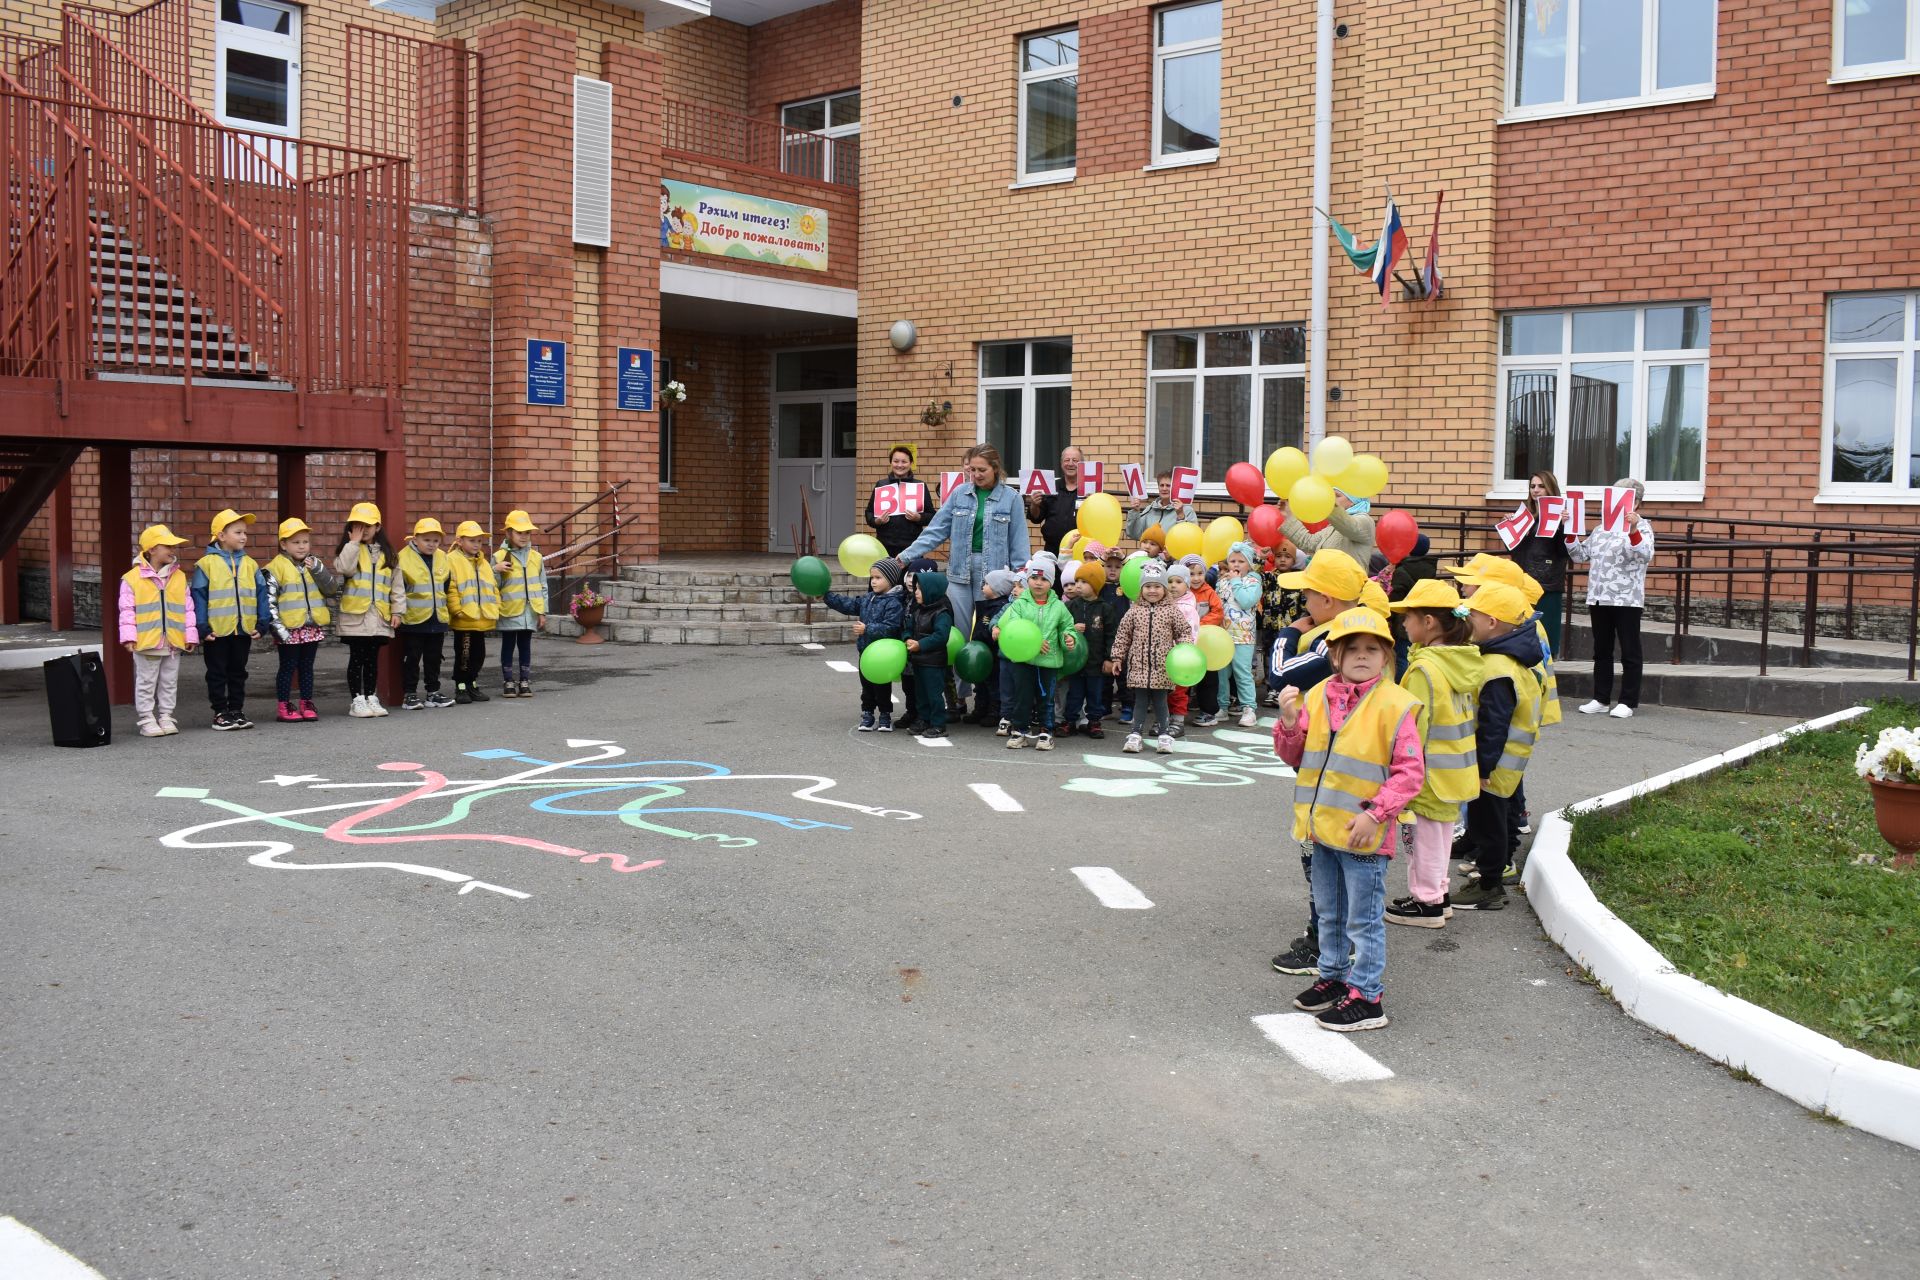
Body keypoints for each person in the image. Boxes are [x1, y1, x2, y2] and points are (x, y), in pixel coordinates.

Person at [1273, 607, 1424, 1032]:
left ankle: (1368, 996)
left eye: (1371, 649)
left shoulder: (1396, 705)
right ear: (1335, 655)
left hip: (1363, 837)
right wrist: (1288, 724)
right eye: (1351, 649)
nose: (1362, 656)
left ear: (1386, 657)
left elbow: (1410, 773)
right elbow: (1297, 758)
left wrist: (1376, 816)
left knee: (1363, 919)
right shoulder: (1319, 695)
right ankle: (1334, 977)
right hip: (1323, 831)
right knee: (1329, 911)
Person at [1267, 547, 1369, 978]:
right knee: (1335, 850)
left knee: (1321, 849)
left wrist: (1289, 632)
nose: (1302, 602)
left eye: (1307, 594)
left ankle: (1325, 941)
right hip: (1343, 762)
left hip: (1328, 763)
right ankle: (1337, 932)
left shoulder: (1334, 640)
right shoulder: (1364, 632)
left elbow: (1279, 673)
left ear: (1327, 601)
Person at [1384, 581, 1482, 927]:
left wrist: (1400, 770)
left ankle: (1425, 903)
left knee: (1422, 840)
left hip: (1427, 772)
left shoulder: (1424, 669)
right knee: (1438, 837)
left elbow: (1411, 726)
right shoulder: (1461, 662)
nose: (1403, 625)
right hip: (1454, 770)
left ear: (1428, 622)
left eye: (1408, 617)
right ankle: (1438, 895)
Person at [900, 444, 1030, 699]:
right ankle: (957, 697)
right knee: (955, 636)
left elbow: (1019, 544)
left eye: (982, 470)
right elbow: (936, 531)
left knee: (986, 637)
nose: (976, 475)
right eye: (972, 470)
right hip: (959, 574)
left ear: (995, 469)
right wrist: (906, 556)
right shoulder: (959, 494)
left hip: (993, 579)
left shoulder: (1012, 498)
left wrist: (1021, 577)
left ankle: (987, 700)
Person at [1453, 583, 1544, 912]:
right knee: (1496, 824)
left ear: (1492, 622)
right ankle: (1490, 876)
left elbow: (1494, 726)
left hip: (1492, 769)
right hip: (1504, 767)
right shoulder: (1509, 661)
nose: (1467, 620)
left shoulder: (1497, 669)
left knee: (1487, 827)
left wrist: (1482, 768)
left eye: (1472, 615)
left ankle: (1489, 886)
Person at [1567, 477, 1654, 720]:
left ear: (1635, 502)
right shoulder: (1600, 529)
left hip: (1627, 599)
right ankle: (1601, 698)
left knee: (1629, 650)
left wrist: (1634, 530)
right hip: (1599, 596)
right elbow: (1580, 555)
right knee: (1601, 650)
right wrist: (1569, 531)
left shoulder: (1643, 527)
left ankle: (1627, 701)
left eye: (1622, 496)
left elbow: (1645, 554)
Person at [119, 524, 198, 738]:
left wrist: (189, 635)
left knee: (169, 681)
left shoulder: (178, 576)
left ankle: (165, 715)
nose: (173, 550)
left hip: (173, 640)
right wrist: (129, 637)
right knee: (146, 681)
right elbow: (127, 610)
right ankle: (146, 718)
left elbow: (187, 607)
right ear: (152, 549)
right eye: (168, 546)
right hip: (147, 641)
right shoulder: (131, 578)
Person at [1106, 561, 1192, 754]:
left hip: (1162, 667)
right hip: (1139, 666)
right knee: (1141, 702)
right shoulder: (1134, 611)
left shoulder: (1171, 611)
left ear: (1164, 589)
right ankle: (1135, 734)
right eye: (1148, 586)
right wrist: (1117, 657)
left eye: (1157, 586)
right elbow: (1123, 635)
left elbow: (1184, 631)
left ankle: (1164, 735)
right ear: (1141, 588)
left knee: (1161, 702)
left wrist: (1185, 650)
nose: (1152, 590)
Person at [260, 517, 339, 723]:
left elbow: (331, 589)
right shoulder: (274, 568)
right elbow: (269, 603)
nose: (302, 546)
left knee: (307, 667)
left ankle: (306, 702)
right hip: (289, 629)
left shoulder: (314, 564)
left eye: (305, 541)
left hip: (310, 628)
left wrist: (317, 569)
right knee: (287, 667)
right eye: (296, 542)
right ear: (283, 544)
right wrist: (280, 631)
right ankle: (284, 704)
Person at [994, 558, 1077, 750]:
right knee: (1022, 697)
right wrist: (1033, 643)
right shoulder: (1019, 604)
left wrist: (1069, 638)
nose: (1038, 583)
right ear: (1027, 579)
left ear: (1051, 583)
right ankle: (1020, 731)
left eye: (1044, 579)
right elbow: (1014, 628)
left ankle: (1046, 733)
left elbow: (1068, 626)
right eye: (1034, 577)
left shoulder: (1058, 606)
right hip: (1023, 660)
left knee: (1046, 700)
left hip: (1048, 662)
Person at [191, 508, 260, 731]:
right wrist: (202, 627)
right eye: (238, 532)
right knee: (217, 672)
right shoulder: (206, 564)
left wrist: (263, 623)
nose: (243, 537)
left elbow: (260, 595)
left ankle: (237, 709)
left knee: (238, 671)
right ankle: (220, 712)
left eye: (245, 533)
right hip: (217, 631)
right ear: (221, 536)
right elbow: (199, 597)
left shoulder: (250, 564)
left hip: (243, 629)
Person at [823, 556, 908, 732]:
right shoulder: (868, 598)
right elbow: (848, 604)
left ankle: (885, 715)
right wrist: (827, 596)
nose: (874, 581)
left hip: (883, 655)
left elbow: (891, 628)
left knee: (882, 686)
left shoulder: (894, 602)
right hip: (865, 652)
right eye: (872, 578)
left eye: (878, 578)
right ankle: (867, 713)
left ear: (891, 580)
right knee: (867, 686)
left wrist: (867, 629)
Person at [335, 502, 396, 718]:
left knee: (372, 659)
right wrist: (353, 543)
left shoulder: (387, 554)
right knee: (357, 658)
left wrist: (397, 612)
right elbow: (344, 568)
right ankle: (356, 700)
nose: (364, 529)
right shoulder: (349, 549)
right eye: (358, 525)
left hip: (378, 617)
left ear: (378, 527)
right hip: (355, 617)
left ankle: (371, 696)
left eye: (368, 525)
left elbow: (395, 587)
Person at [393, 517, 455, 711]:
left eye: (436, 540)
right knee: (412, 658)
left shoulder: (442, 557)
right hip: (414, 619)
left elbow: (445, 584)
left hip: (437, 618)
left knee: (434, 658)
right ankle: (410, 694)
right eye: (427, 540)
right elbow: (398, 588)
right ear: (416, 538)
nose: (432, 544)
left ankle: (433, 692)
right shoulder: (403, 557)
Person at [494, 509, 549, 699]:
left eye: (527, 532)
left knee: (525, 646)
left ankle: (524, 681)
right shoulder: (499, 557)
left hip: (530, 611)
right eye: (519, 532)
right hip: (509, 610)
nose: (524, 536)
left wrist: (542, 612)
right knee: (508, 646)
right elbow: (492, 586)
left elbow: (542, 586)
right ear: (508, 533)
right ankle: (508, 681)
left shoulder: (536, 557)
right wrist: (495, 570)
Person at [1515, 471, 1571, 653]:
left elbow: (1565, 552)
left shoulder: (1561, 515)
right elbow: (1515, 550)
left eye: (1541, 486)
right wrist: (1510, 528)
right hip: (1523, 583)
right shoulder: (1526, 515)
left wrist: (1563, 527)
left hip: (1547, 585)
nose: (1536, 490)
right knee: (1524, 640)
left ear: (1550, 489)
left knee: (1545, 642)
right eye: (1532, 486)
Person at [447, 520, 501, 703]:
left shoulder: (483, 562)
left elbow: (492, 587)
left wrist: (496, 607)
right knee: (464, 654)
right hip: (464, 618)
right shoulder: (452, 560)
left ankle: (472, 683)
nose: (477, 544)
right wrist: (456, 610)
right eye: (472, 540)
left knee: (479, 654)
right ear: (460, 541)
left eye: (479, 541)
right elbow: (451, 587)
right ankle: (461, 685)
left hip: (480, 618)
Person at [1062, 561, 1112, 738]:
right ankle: (1070, 722)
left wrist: (1109, 658)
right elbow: (1061, 627)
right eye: (1077, 582)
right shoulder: (1070, 606)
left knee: (1095, 695)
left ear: (1096, 585)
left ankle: (1094, 722)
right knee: (1074, 694)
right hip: (1075, 662)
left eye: (1084, 582)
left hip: (1096, 662)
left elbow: (1111, 635)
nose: (1078, 586)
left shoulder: (1105, 608)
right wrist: (1073, 628)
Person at [903, 567, 954, 739]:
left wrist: (920, 644)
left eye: (919, 589)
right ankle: (923, 720)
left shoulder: (942, 613)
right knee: (921, 694)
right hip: (918, 660)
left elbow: (941, 636)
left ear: (931, 591)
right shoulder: (918, 610)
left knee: (934, 694)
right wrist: (908, 638)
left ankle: (938, 724)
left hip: (933, 662)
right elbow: (908, 627)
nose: (916, 592)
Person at [1218, 542, 1263, 726]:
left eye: (1241, 561)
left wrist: (1236, 582)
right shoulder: (1222, 582)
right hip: (1223, 635)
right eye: (1232, 561)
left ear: (1249, 564)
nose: (1236, 565)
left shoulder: (1254, 581)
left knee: (1242, 671)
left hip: (1243, 636)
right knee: (1221, 672)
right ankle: (1222, 707)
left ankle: (1249, 708)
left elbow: (1246, 601)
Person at [866, 445, 932, 558]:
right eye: (896, 461)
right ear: (891, 462)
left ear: (911, 463)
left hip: (912, 546)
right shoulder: (881, 485)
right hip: (885, 545)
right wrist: (877, 521)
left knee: (909, 576)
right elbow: (869, 513)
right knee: (884, 576)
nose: (899, 465)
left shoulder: (919, 485)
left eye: (904, 462)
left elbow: (931, 515)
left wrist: (919, 518)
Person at [1281, 489, 1377, 564]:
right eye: (1331, 496)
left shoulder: (1365, 521)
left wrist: (1330, 507)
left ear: (1352, 501)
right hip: (1325, 586)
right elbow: (1308, 543)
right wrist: (1289, 516)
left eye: (1337, 496)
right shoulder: (1333, 527)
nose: (1332, 499)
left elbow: (1349, 526)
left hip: (1345, 587)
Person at [1026, 445, 1086, 553]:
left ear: (1082, 465)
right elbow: (1036, 518)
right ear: (1061, 463)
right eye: (1067, 460)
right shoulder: (1050, 487)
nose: (1071, 464)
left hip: (1080, 552)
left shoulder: (1089, 490)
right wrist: (1034, 505)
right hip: (1052, 552)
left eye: (1075, 460)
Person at [1124, 470, 1196, 540]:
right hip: (1151, 552)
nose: (1164, 489)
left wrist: (1181, 516)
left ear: (1175, 488)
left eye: (1168, 486)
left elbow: (1191, 538)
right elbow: (1134, 534)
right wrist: (1135, 511)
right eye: (1161, 485)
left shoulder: (1186, 510)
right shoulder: (1150, 509)